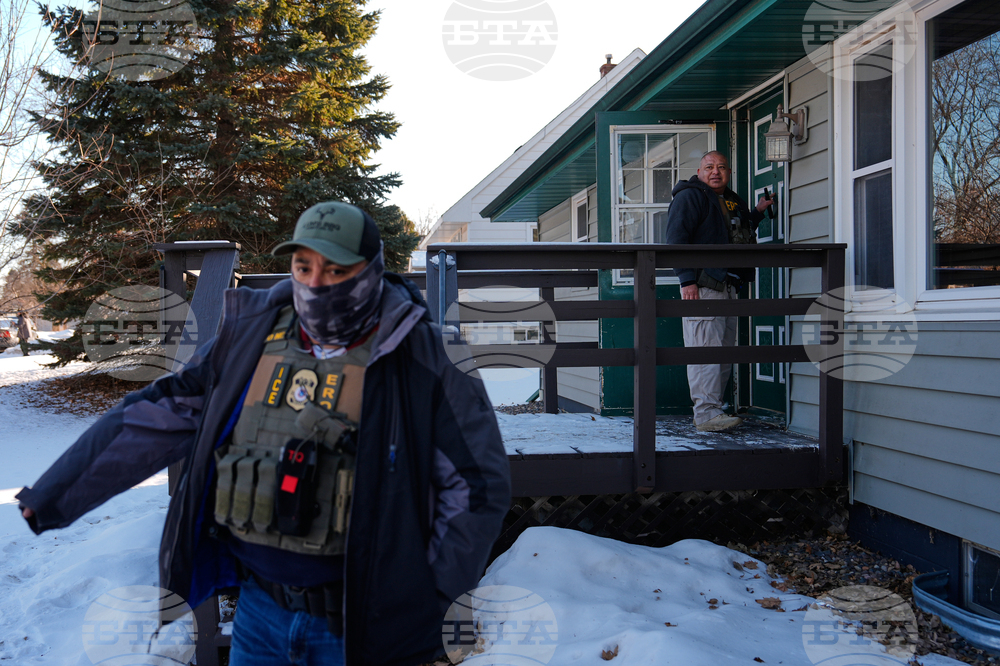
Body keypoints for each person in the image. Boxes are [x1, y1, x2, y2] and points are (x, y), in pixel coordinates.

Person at [16, 201, 512, 666]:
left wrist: (431, 601)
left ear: (374, 269)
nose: (317, 284)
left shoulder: (429, 352)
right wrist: (56, 495)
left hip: (361, 626)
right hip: (260, 613)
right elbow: (154, 416)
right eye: (303, 267)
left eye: (337, 270)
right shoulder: (251, 336)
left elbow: (477, 486)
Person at [664, 151, 774, 433]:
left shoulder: (732, 200)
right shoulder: (689, 197)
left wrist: (758, 212)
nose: (716, 172)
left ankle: (714, 410)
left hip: (729, 286)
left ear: (728, 172)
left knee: (723, 352)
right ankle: (705, 415)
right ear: (699, 171)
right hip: (702, 287)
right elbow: (676, 240)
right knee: (705, 351)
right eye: (710, 167)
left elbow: (736, 231)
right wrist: (686, 280)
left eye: (722, 167)